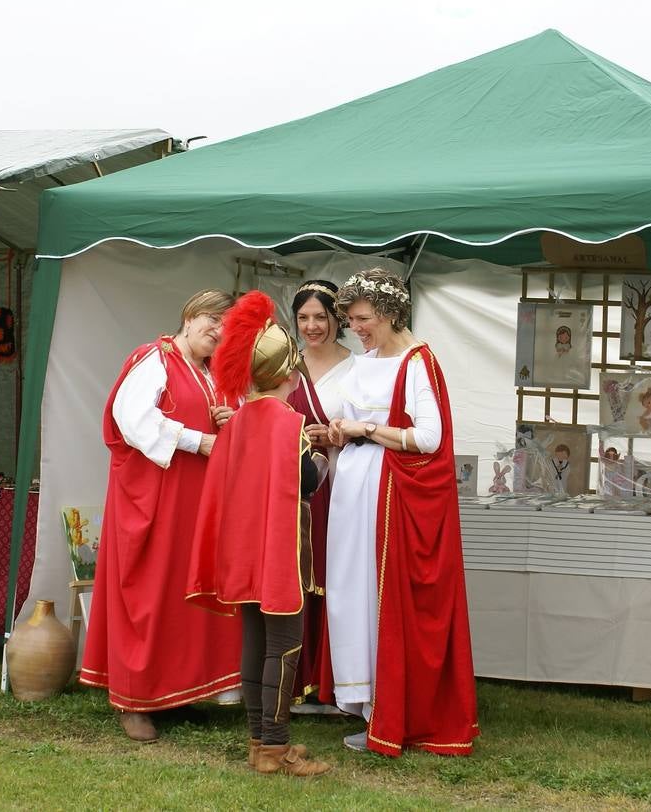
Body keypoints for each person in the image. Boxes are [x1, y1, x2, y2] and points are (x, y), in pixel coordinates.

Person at [325, 268, 478, 756]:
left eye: (362, 318)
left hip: (391, 494)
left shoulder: (417, 362)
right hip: (357, 487)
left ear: (390, 313)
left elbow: (429, 439)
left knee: (378, 594)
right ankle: (369, 703)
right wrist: (339, 431)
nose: (356, 328)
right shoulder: (366, 360)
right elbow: (353, 417)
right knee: (353, 592)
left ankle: (391, 711)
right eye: (350, 320)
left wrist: (366, 429)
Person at [79, 289, 242, 743]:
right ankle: (133, 700)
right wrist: (199, 440)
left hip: (192, 502)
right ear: (189, 317)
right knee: (146, 595)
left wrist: (229, 420)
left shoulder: (208, 372)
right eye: (212, 319)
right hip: (152, 500)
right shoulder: (155, 358)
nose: (218, 330)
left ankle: (178, 692)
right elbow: (130, 417)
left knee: (182, 596)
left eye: (226, 326)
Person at [186, 290, 331, 777]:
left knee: (253, 641)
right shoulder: (291, 424)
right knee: (284, 644)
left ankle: (256, 741)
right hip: (279, 552)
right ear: (288, 376)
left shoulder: (238, 422)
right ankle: (275, 746)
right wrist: (322, 458)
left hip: (243, 551)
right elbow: (308, 479)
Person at [285, 280, 353, 705]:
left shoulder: (359, 368)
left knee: (334, 578)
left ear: (337, 320)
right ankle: (292, 679)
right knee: (291, 577)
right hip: (291, 490)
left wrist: (333, 435)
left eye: (320, 318)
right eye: (303, 318)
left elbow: (372, 427)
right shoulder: (285, 364)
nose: (312, 326)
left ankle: (330, 679)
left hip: (340, 488)